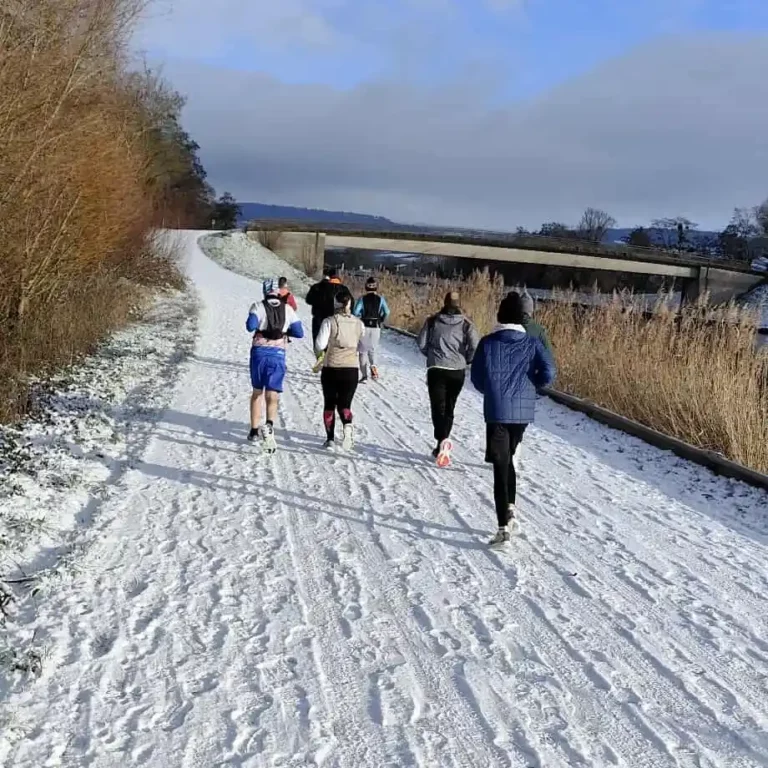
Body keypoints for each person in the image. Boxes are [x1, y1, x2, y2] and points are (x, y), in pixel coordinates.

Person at [471, 291, 556, 549]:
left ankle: (502, 529)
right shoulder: (532, 343)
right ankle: (510, 507)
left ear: (499, 314)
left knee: (500, 465)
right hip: (522, 411)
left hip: (496, 410)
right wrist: (534, 386)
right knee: (509, 459)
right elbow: (549, 371)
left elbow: (476, 378)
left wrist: (492, 390)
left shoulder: (487, 342)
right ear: (522, 316)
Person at [417, 291, 480, 467]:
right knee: (450, 406)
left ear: (444, 302)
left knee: (438, 407)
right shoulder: (467, 324)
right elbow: (475, 345)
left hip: (436, 368)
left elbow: (421, 343)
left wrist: (430, 355)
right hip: (457, 370)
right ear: (459, 303)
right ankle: (442, 442)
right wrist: (466, 359)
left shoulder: (432, 321)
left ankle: (442, 440)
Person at [246, 279, 304, 451]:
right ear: (278, 292)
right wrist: (284, 331)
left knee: (257, 392)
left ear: (265, 291)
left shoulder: (257, 306)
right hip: (278, 354)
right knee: (272, 394)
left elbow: (250, 326)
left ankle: (254, 431)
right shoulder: (288, 309)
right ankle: (269, 425)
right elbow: (300, 332)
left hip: (258, 354)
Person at [314, 286, 364, 451]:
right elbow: (363, 347)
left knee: (329, 404)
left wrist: (321, 355)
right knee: (345, 405)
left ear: (335, 304)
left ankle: (329, 439)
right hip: (351, 370)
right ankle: (348, 425)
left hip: (332, 368)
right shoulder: (359, 323)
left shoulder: (329, 322)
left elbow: (320, 344)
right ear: (350, 304)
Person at [353, 277, 390, 382]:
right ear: (376, 287)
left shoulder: (362, 299)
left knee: (362, 351)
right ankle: (373, 367)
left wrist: (360, 316)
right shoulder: (381, 299)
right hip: (376, 326)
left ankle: (364, 375)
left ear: (366, 287)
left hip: (364, 325)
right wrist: (381, 319)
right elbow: (387, 312)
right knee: (373, 349)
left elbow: (356, 312)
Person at [306, 268, 343, 344]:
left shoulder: (316, 287)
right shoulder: (342, 289)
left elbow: (308, 300)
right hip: (336, 319)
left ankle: (321, 355)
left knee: (318, 341)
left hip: (318, 318)